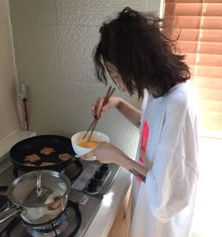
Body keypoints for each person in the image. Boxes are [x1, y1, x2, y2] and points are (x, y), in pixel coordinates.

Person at [82, 7, 199, 237]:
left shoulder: (179, 104)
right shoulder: (156, 91)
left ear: (136, 63)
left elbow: (160, 190)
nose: (116, 82)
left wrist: (117, 156)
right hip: (147, 208)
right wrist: (118, 104)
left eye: (117, 74)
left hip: (162, 223)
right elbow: (150, 128)